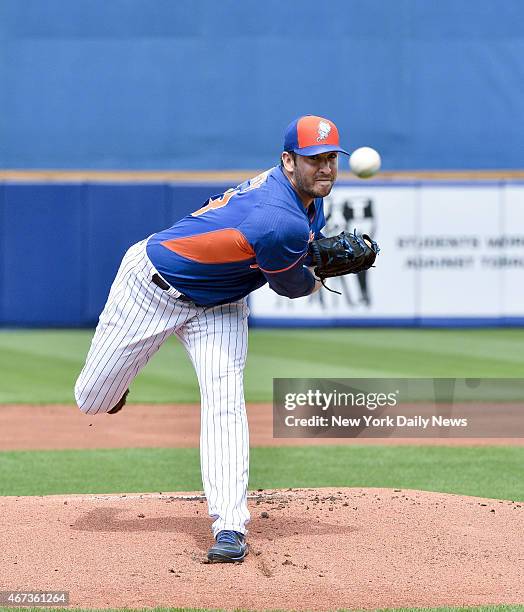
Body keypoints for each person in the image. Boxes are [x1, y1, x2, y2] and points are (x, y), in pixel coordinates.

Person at [74, 114, 349, 563]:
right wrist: (317, 272)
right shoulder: (279, 218)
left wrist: (309, 256)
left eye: (331, 158)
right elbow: (291, 286)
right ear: (287, 160)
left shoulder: (303, 199)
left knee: (225, 399)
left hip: (220, 301)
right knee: (92, 401)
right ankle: (113, 387)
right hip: (152, 285)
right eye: (313, 158)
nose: (325, 168)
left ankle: (230, 527)